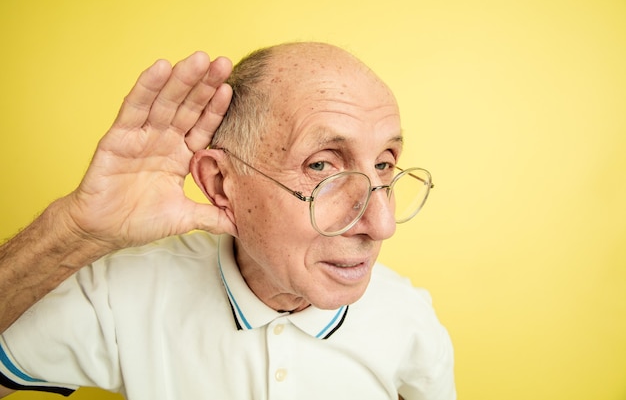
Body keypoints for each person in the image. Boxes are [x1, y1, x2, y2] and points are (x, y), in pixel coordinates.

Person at [0, 42, 455, 399]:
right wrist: (74, 231)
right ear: (221, 183)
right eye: (321, 166)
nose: (381, 225)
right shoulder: (123, 291)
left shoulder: (410, 319)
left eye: (384, 165)